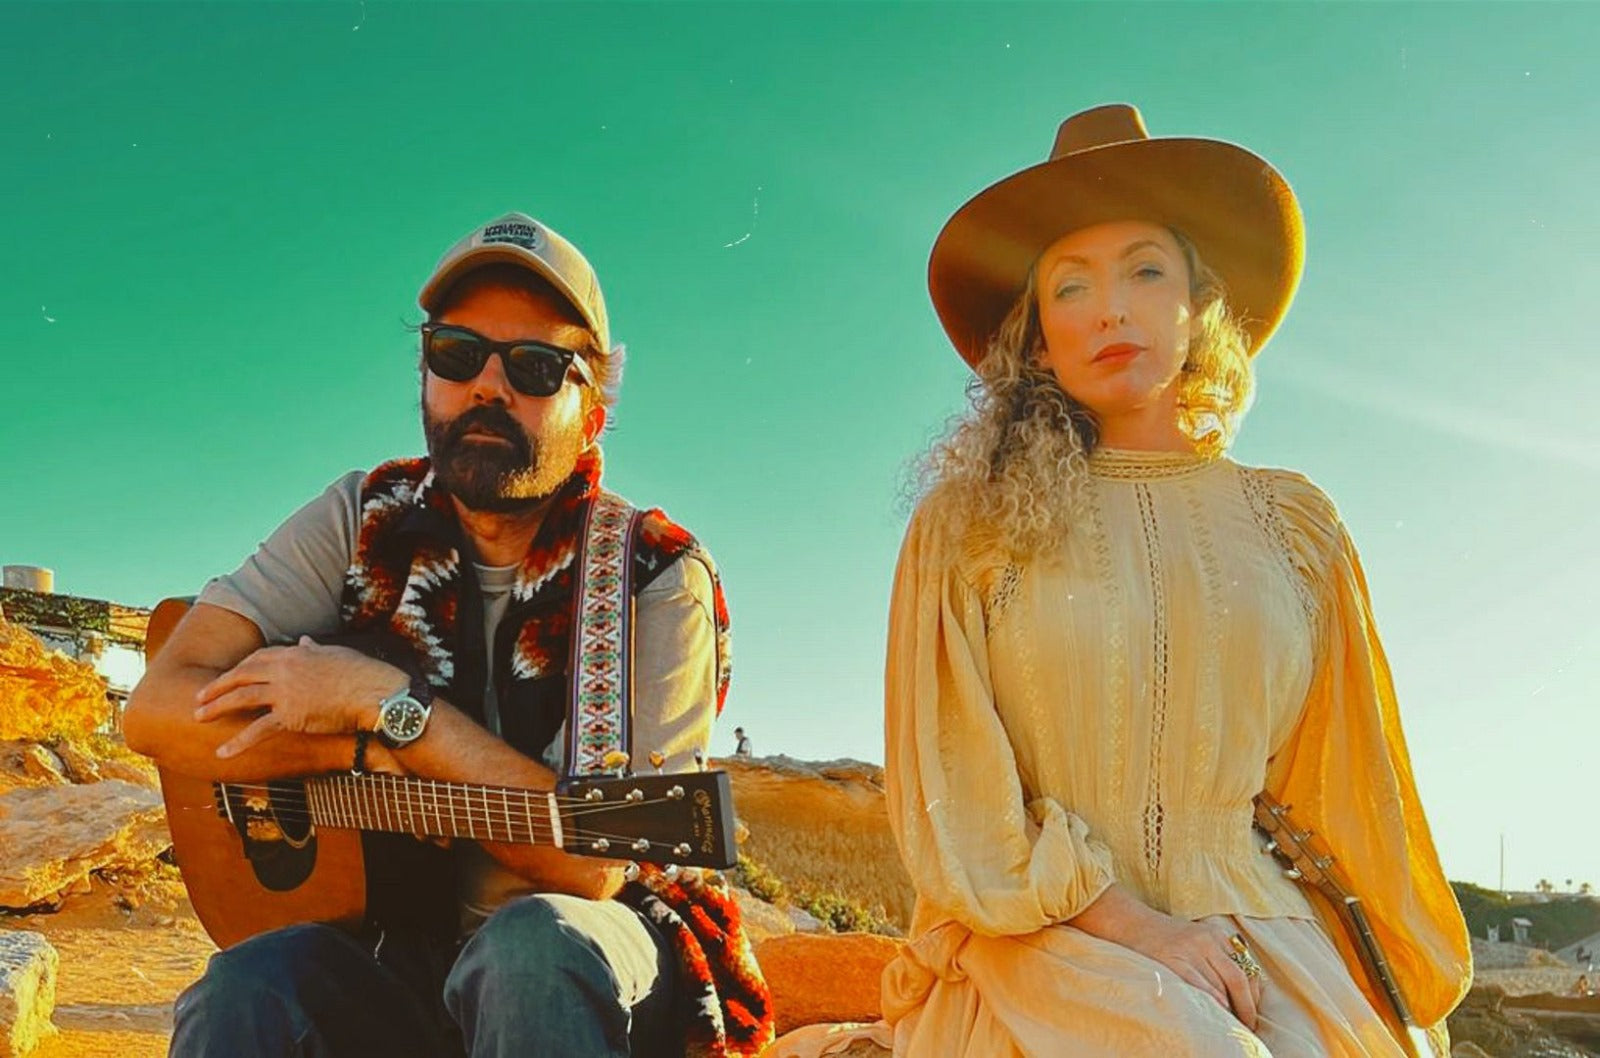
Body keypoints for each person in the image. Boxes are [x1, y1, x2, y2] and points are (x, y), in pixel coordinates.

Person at [773, 105, 1471, 1057]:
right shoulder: (966, 523)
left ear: (1198, 306)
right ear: (1038, 334)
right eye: (1071, 285)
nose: (1110, 308)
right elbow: (958, 795)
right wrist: (1142, 934)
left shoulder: (1296, 526)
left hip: (1262, 940)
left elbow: (1350, 785)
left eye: (1146, 270)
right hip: (1045, 947)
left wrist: (1400, 995)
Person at [123, 212, 771, 1058]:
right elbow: (158, 712)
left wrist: (392, 709)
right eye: (456, 355)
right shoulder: (361, 516)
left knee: (530, 950)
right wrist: (348, 752)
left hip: (594, 956)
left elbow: (590, 867)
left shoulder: (649, 574)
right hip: (395, 944)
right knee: (246, 990)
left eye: (536, 368)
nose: (486, 389)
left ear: (592, 415)